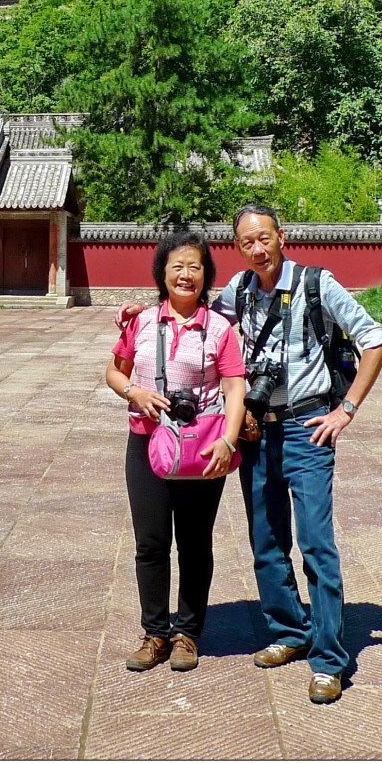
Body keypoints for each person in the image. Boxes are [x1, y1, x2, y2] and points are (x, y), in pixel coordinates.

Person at [117, 204, 382, 704]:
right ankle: (289, 632)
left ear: (281, 236)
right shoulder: (239, 290)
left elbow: (375, 339)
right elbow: (190, 310)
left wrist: (346, 409)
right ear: (237, 248)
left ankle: (328, 660)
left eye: (264, 237)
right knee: (266, 540)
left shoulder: (316, 283)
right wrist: (143, 310)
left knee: (316, 544)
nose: (257, 248)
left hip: (308, 427)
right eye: (247, 242)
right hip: (257, 431)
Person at [107, 228, 246, 676]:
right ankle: (155, 633)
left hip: (202, 447)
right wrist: (134, 392)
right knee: (150, 542)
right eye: (177, 266)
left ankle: (187, 632)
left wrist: (229, 439)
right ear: (162, 273)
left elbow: (234, 387)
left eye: (195, 267)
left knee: (194, 542)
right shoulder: (142, 322)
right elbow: (114, 371)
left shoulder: (219, 328)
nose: (186, 275)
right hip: (146, 442)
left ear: (206, 276)